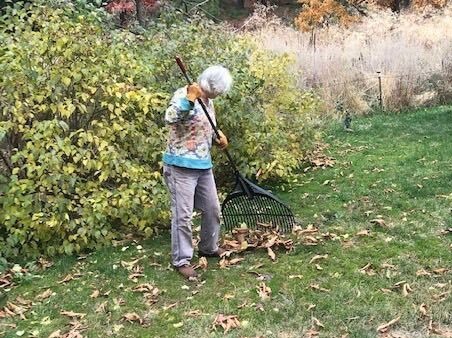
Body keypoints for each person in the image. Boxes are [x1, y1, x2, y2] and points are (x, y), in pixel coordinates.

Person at [163, 65, 233, 279]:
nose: (218, 95)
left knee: (212, 208)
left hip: (203, 164)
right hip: (180, 165)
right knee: (182, 215)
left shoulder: (209, 102)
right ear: (209, 85)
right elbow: (170, 117)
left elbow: (207, 128)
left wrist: (219, 138)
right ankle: (181, 259)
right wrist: (190, 99)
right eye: (217, 91)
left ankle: (208, 247)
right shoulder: (185, 94)